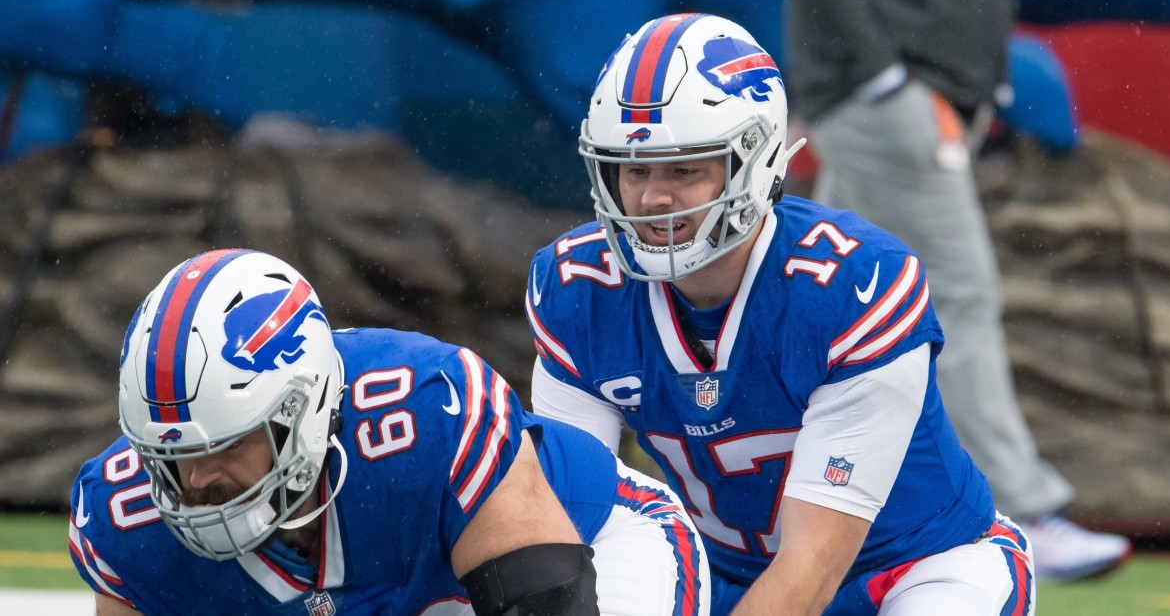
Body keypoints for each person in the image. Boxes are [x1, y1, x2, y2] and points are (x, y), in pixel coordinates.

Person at [526, 12, 1034, 615]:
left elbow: (812, 564)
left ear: (755, 160)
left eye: (685, 169)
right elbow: (564, 514)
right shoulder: (577, 287)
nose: (652, 198)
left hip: (912, 566)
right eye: (634, 169)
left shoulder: (852, 283)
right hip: (715, 571)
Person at [69, 248, 710, 616]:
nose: (198, 481)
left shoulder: (428, 410)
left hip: (592, 546)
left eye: (228, 443)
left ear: (305, 409)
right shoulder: (125, 517)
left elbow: (545, 603)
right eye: (172, 455)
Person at [776, 0, 1131, 582]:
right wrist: (884, 78)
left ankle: (791, 504)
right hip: (887, 102)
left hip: (924, 97)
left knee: (826, 304)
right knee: (958, 299)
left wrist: (979, 78)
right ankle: (1022, 509)